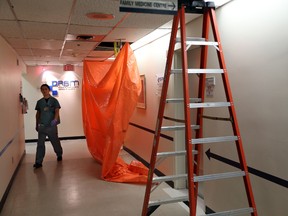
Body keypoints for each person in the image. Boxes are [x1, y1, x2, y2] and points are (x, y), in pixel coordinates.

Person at [33, 84, 63, 169]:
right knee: (40, 144)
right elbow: (38, 114)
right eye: (42, 89)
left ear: (48, 90)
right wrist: (36, 124)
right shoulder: (39, 102)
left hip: (51, 125)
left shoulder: (54, 101)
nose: (44, 91)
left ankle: (59, 154)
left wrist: (55, 120)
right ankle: (38, 162)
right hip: (42, 125)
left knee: (55, 141)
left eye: (45, 89)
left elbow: (57, 111)